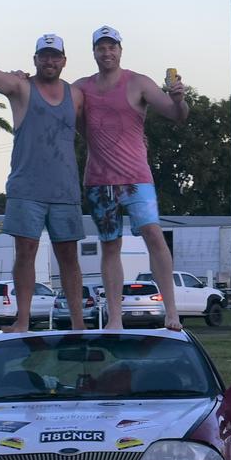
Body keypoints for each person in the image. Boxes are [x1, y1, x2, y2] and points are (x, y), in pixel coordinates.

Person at [73, 25, 188, 331]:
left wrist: (178, 99)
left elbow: (177, 116)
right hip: (99, 182)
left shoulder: (138, 83)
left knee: (154, 235)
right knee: (110, 245)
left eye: (112, 47)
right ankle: (114, 319)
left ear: (121, 51)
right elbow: (59, 107)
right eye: (101, 47)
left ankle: (172, 312)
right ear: (94, 52)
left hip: (137, 179)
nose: (107, 52)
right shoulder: (82, 87)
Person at [0, 35, 86, 332]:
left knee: (69, 256)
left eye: (55, 56)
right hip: (26, 189)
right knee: (25, 252)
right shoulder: (21, 88)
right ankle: (23, 321)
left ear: (64, 60)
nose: (49, 61)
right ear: (35, 59)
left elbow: (95, 131)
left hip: (65, 191)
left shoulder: (77, 95)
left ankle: (79, 323)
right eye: (44, 56)